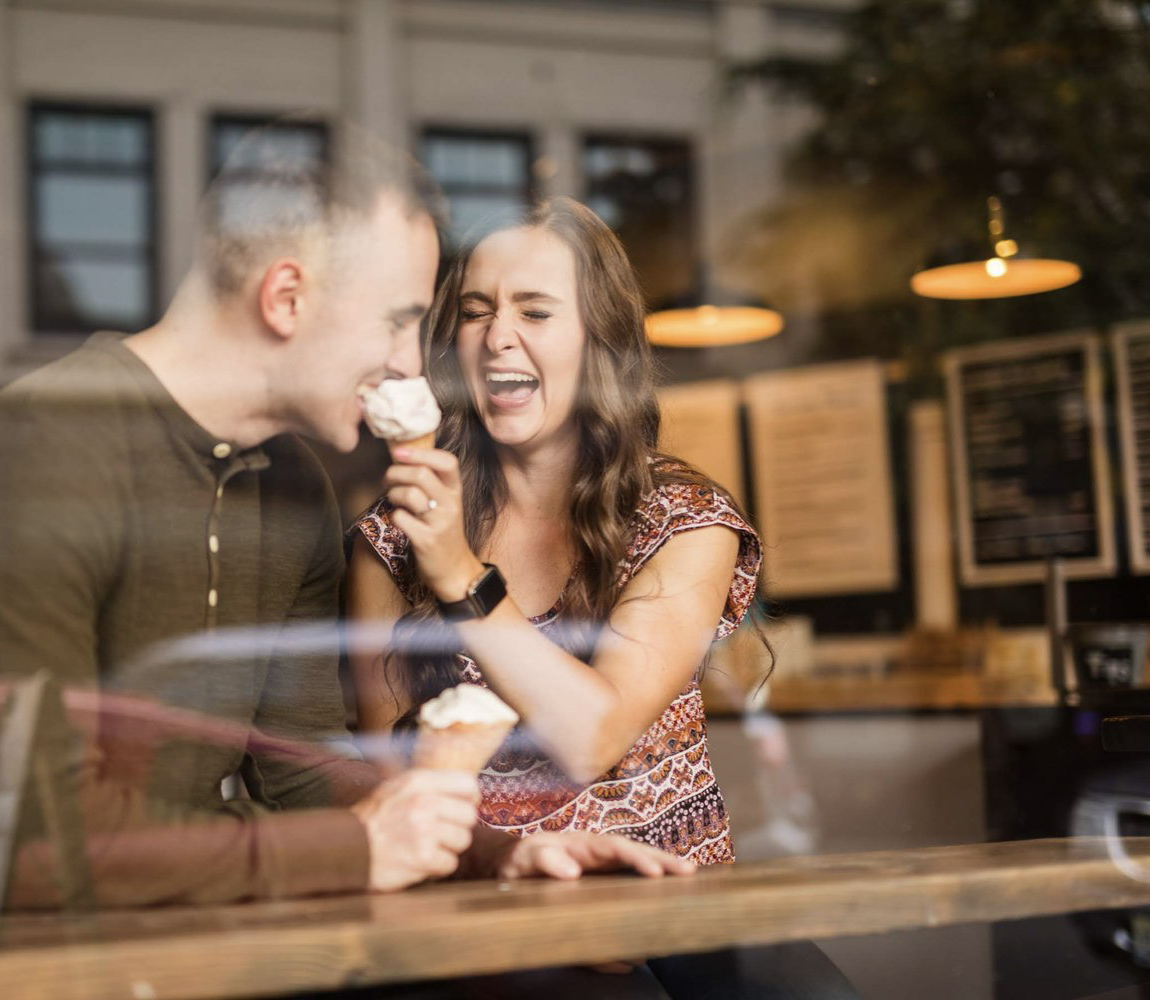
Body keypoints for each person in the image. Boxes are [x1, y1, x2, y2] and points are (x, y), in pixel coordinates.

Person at [0, 127, 692, 919]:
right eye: (400, 320)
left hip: (186, 940)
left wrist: (493, 853)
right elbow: (35, 850)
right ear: (287, 297)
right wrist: (357, 852)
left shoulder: (293, 483)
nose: (415, 363)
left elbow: (302, 773)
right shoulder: (40, 450)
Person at [346, 198, 862, 997]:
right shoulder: (391, 536)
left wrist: (461, 578)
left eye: (536, 310)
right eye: (476, 311)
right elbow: (389, 776)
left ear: (600, 342)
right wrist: (518, 891)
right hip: (485, 921)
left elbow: (593, 735)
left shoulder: (685, 520)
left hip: (680, 914)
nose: (498, 335)